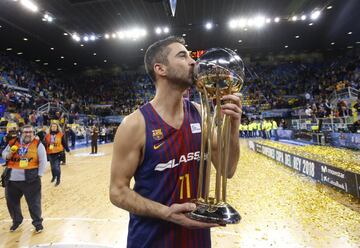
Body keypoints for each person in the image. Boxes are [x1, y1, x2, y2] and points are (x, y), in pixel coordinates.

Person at [109, 36, 242, 247]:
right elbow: (117, 191)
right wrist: (167, 213)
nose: (193, 62)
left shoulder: (200, 113)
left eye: (190, 56)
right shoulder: (134, 125)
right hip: (151, 240)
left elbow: (228, 170)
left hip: (197, 240)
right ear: (160, 69)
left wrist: (234, 126)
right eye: (183, 55)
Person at [2, 125, 47, 233]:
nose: (28, 134)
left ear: (33, 133)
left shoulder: (37, 144)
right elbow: (4, 154)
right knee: (12, 203)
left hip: (31, 180)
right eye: (26, 132)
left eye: (30, 132)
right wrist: (8, 155)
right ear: (21, 133)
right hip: (12, 179)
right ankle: (17, 221)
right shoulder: (13, 142)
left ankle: (37, 223)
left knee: (34, 203)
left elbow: (43, 160)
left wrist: (39, 174)